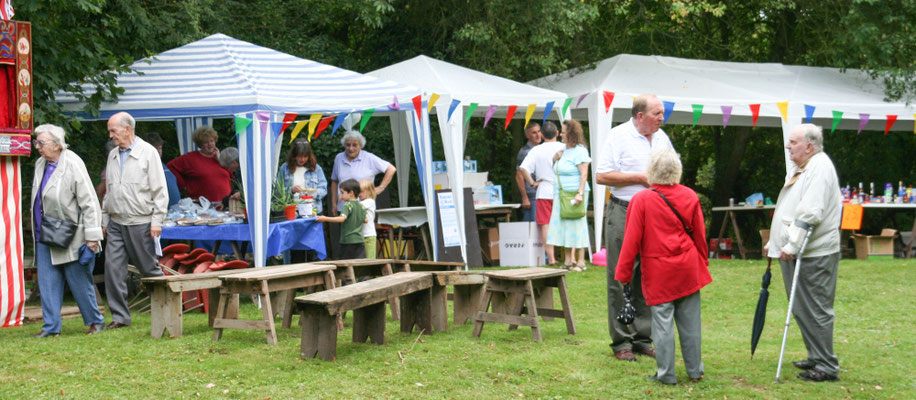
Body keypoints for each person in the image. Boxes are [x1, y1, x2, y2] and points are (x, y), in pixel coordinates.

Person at [615, 149, 711, 385]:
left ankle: (666, 374)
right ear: (676, 170)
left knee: (662, 325)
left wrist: (624, 273)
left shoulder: (642, 199)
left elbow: (631, 241)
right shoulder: (690, 195)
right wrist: (703, 260)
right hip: (688, 267)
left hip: (659, 271)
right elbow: (699, 233)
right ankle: (695, 371)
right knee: (691, 324)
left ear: (651, 171)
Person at [596, 93, 673, 361]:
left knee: (648, 275)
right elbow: (602, 176)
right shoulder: (618, 136)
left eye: (663, 113)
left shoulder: (662, 138)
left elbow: (672, 170)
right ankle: (621, 342)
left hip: (654, 212)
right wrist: (640, 178)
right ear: (640, 116)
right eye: (657, 114)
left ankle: (643, 337)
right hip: (624, 211)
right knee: (621, 275)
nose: (662, 118)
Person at [765, 123, 842, 382]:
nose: (788, 146)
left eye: (794, 142)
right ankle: (816, 355)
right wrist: (776, 242)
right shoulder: (806, 167)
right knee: (801, 306)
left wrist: (791, 245)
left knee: (815, 307)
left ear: (809, 146)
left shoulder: (818, 167)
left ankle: (826, 365)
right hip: (802, 251)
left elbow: (810, 212)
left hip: (813, 253)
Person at [30, 124, 106, 337]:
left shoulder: (72, 163)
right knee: (47, 282)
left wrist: (92, 237)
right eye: (36, 142)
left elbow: (90, 203)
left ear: (57, 144)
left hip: (72, 234)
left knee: (79, 281)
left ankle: (95, 321)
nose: (37, 147)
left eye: (41, 143)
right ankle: (51, 327)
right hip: (44, 233)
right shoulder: (40, 163)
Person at [101, 112, 169, 329]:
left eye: (114, 130)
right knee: (112, 270)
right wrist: (104, 220)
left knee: (149, 269)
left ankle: (166, 310)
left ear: (127, 129)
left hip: (141, 221)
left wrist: (157, 221)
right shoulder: (113, 155)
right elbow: (109, 191)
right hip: (116, 221)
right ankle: (120, 317)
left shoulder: (148, 153)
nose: (111, 135)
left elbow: (160, 190)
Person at [546, 119, 591, 271]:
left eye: (564, 133)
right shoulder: (563, 150)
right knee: (564, 225)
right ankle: (567, 261)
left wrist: (579, 193)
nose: (561, 135)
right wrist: (554, 159)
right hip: (561, 193)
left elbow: (584, 173)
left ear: (572, 134)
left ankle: (581, 261)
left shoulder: (580, 150)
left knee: (577, 225)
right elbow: (557, 169)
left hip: (575, 193)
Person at [520, 121, 566, 265]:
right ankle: (570, 258)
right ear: (557, 133)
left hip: (544, 191)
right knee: (568, 223)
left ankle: (551, 258)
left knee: (545, 225)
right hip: (564, 189)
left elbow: (523, 168)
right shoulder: (564, 147)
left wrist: (532, 183)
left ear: (542, 134)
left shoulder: (536, 150)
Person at [329, 130, 396, 215]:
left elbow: (391, 169)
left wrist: (381, 188)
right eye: (348, 145)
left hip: (364, 208)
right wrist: (334, 204)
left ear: (361, 146)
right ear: (344, 145)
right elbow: (334, 181)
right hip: (343, 208)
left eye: (355, 145)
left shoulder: (369, 158)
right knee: (345, 228)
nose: (351, 148)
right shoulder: (339, 158)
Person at [166, 126, 231, 203]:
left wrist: (221, 161)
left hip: (224, 204)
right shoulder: (190, 158)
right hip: (201, 206)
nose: (210, 144)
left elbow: (232, 175)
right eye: (206, 142)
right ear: (200, 144)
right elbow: (169, 167)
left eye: (212, 141)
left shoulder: (222, 157)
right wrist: (183, 185)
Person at [317, 179, 367, 259]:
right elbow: (365, 220)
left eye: (342, 192)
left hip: (348, 241)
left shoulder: (347, 206)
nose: (341, 195)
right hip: (360, 240)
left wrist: (325, 218)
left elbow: (342, 219)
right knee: (360, 264)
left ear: (351, 193)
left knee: (345, 265)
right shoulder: (362, 206)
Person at [277, 139, 328, 214]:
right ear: (294, 155)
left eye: (305, 156)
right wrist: (291, 190)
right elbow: (277, 192)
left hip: (312, 211)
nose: (303, 159)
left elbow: (323, 189)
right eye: (300, 156)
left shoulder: (316, 168)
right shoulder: (284, 168)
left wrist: (310, 193)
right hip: (291, 212)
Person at [144, 133, 181, 208]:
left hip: (173, 214)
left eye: (160, 148)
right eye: (154, 148)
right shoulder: (143, 166)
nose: (158, 151)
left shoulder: (162, 164)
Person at [515, 122, 542, 222]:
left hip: (542, 194)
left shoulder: (542, 149)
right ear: (527, 135)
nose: (538, 135)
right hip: (532, 197)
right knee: (533, 229)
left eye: (539, 131)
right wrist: (524, 197)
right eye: (534, 132)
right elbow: (519, 175)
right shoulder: (525, 152)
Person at [359, 179, 378, 259]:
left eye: (361, 192)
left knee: (370, 260)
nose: (359, 194)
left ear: (369, 191)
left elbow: (355, 206)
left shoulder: (370, 201)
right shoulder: (363, 202)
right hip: (362, 235)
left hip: (369, 235)